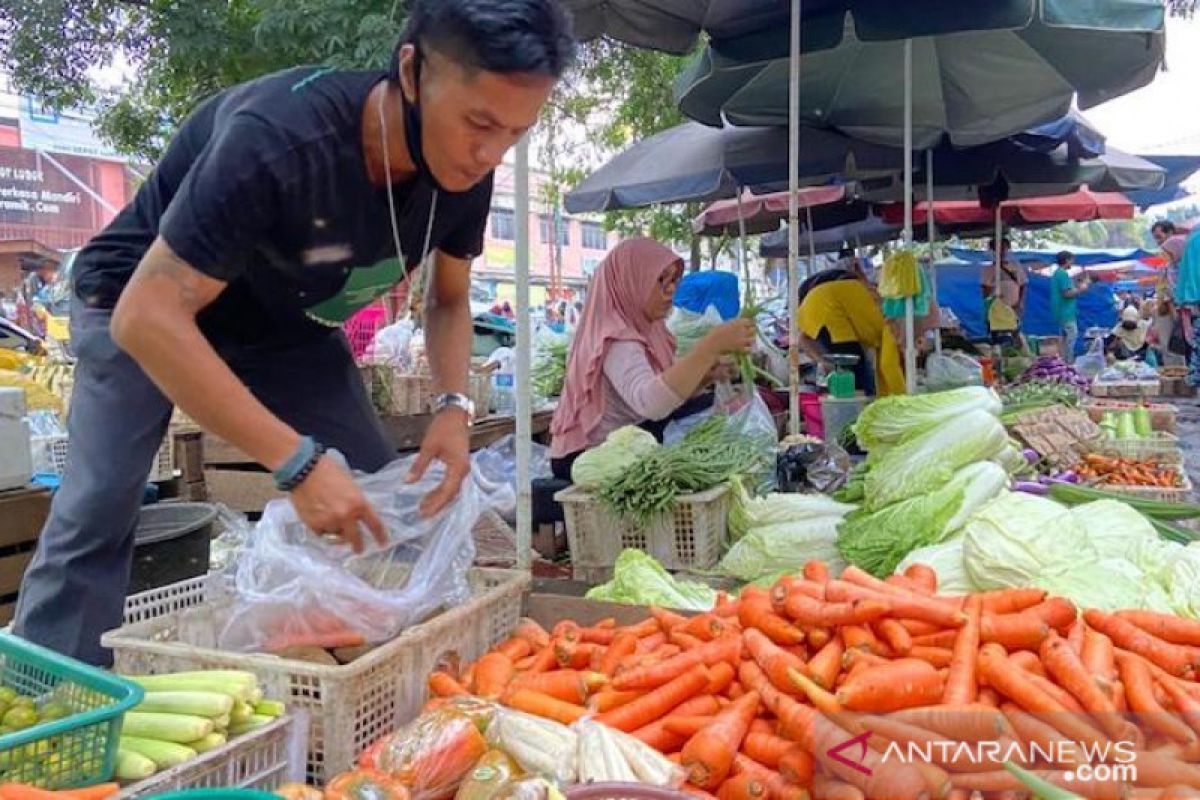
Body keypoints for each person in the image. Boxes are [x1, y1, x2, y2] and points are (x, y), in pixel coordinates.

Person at [13, 0, 574, 665]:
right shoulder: (280, 139)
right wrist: (295, 460)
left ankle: (346, 680)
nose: (489, 153)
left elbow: (449, 302)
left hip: (281, 327)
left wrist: (454, 408)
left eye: (515, 132)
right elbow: (148, 315)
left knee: (371, 490)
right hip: (140, 298)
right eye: (479, 122)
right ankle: (45, 712)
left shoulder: (466, 176)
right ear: (413, 72)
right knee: (99, 509)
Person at [548, 238, 755, 480]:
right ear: (631, 282)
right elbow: (651, 403)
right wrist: (708, 348)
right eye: (660, 281)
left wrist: (705, 375)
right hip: (591, 457)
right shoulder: (616, 338)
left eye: (673, 281)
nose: (670, 291)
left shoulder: (649, 328)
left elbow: (663, 390)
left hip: (626, 438)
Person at [796, 278, 906, 397]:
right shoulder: (895, 324)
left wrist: (884, 397)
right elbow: (889, 366)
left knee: (856, 374)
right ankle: (855, 410)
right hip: (831, 310)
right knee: (858, 375)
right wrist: (905, 399)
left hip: (819, 303)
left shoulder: (886, 311)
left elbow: (881, 369)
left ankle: (857, 406)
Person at [980, 237, 1027, 344]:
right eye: (997, 249)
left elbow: (1023, 285)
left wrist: (1020, 302)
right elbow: (985, 290)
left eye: (1003, 248)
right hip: (996, 310)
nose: (1001, 251)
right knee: (996, 337)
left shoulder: (1016, 266)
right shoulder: (989, 269)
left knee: (1014, 335)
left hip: (1013, 308)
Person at [1050, 251, 1087, 359]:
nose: (1073, 262)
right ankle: (1068, 363)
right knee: (1071, 340)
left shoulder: (1057, 274)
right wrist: (1081, 289)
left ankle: (1064, 363)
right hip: (1066, 312)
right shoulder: (1062, 274)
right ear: (1066, 260)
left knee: (1065, 341)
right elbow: (1067, 293)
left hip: (1062, 312)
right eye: (1071, 260)